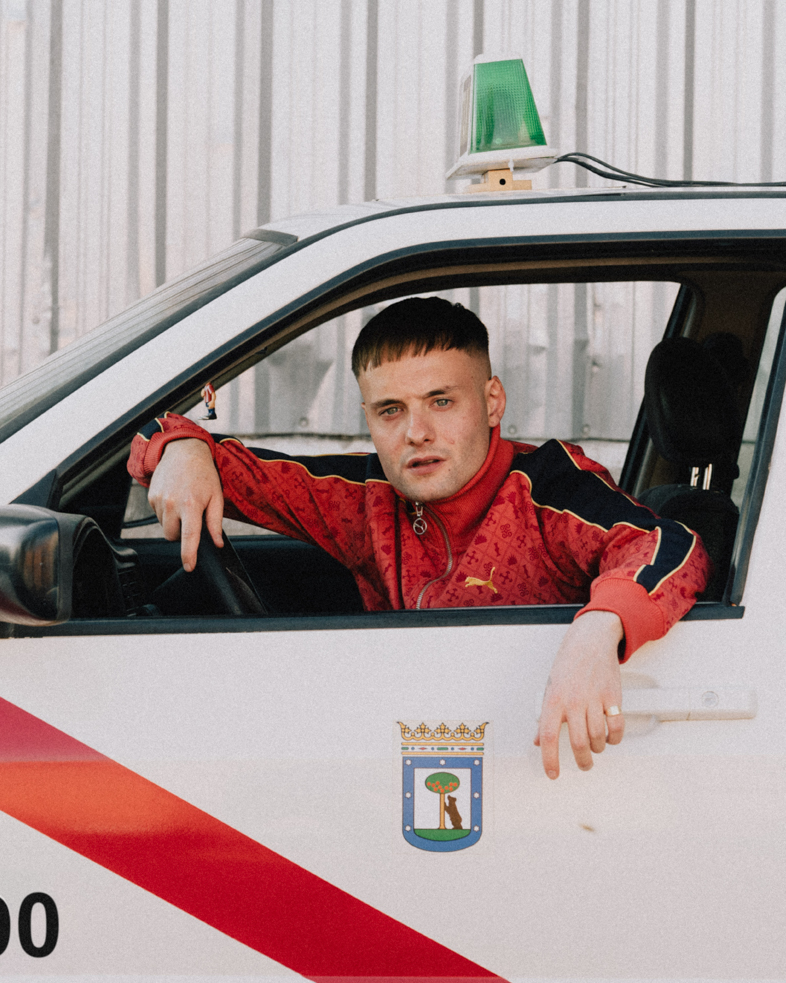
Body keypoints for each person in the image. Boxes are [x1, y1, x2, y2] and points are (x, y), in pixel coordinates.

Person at [128, 298, 711, 779]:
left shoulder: (551, 489)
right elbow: (169, 439)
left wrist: (597, 631)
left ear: (492, 402)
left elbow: (670, 547)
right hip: (408, 740)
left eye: (441, 401)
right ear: (368, 418)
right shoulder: (365, 497)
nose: (417, 432)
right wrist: (182, 448)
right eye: (390, 410)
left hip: (536, 767)